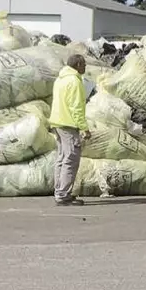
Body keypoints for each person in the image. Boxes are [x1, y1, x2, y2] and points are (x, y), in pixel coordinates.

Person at [49, 54, 92, 206]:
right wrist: (84, 128)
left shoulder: (60, 79)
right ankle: (63, 195)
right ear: (78, 64)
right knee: (71, 158)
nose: (85, 67)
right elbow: (76, 108)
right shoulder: (74, 81)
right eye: (84, 64)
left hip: (57, 122)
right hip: (68, 124)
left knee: (61, 158)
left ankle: (59, 191)